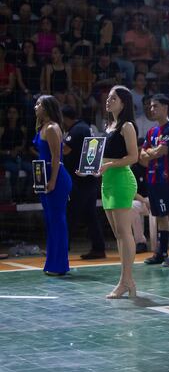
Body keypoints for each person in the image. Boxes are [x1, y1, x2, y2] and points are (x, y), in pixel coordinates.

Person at [98, 86, 140, 298]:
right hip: (107, 181)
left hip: (122, 179)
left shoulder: (127, 126)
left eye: (113, 98)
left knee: (125, 233)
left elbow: (134, 157)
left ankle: (126, 280)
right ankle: (126, 281)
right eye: (108, 97)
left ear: (123, 103)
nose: (108, 101)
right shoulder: (108, 126)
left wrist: (109, 165)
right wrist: (92, 168)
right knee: (118, 234)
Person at [139, 94, 169, 265]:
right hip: (153, 179)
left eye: (155, 106)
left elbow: (160, 152)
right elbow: (141, 155)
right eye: (150, 106)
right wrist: (151, 152)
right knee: (159, 216)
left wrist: (151, 152)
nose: (152, 109)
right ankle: (161, 252)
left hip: (167, 178)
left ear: (165, 108)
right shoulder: (151, 131)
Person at [33, 95, 73, 275]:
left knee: (57, 221)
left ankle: (60, 266)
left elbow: (57, 156)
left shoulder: (51, 128)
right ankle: (52, 264)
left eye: (38, 104)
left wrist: (52, 181)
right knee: (51, 221)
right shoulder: (44, 127)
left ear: (47, 107)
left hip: (55, 177)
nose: (35, 107)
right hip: (46, 176)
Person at [62, 106, 105, 259]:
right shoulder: (85, 127)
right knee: (90, 215)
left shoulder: (77, 130)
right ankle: (99, 248)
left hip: (80, 180)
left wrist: (53, 144)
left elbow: (66, 150)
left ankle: (62, 248)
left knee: (70, 214)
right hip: (89, 179)